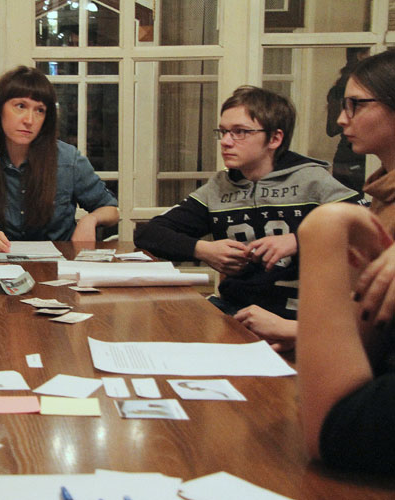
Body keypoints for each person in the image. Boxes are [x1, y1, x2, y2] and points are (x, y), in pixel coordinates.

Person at [134, 85, 362, 351]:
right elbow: (149, 234)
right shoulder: (219, 187)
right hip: (235, 313)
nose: (226, 141)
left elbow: (368, 225)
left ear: (274, 138)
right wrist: (204, 250)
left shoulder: (312, 180)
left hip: (299, 319)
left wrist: (299, 239)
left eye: (240, 132)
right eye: (223, 132)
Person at [298, 49, 395, 474]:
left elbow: (336, 426)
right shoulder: (381, 196)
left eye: (356, 104)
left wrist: (323, 229)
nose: (341, 119)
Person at [0, 66, 119, 252]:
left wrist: (90, 219)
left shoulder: (68, 159)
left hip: (60, 262)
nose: (29, 120)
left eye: (40, 110)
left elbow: (111, 210)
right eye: (21, 106)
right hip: (1, 261)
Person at [325, 47, 369, 194]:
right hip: (351, 157)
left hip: (348, 156)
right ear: (360, 55)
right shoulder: (344, 86)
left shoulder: (341, 85)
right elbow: (332, 128)